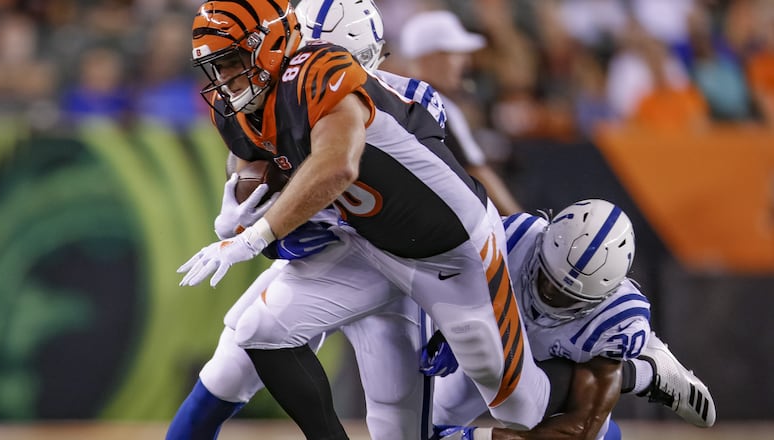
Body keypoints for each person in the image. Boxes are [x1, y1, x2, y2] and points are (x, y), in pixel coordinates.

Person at [178, 0, 552, 438]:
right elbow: (251, 165)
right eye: (218, 68)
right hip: (363, 241)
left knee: (517, 404)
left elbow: (338, 166)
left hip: (450, 251)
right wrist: (241, 205)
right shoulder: (250, 101)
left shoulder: (321, 70)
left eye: (233, 63)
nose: (225, 80)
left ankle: (611, 404)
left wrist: (255, 235)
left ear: (271, 45)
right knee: (260, 331)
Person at [167, 1, 445, 437]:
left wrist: (453, 302)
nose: (307, 71)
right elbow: (251, 159)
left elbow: (457, 210)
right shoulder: (269, 94)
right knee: (230, 364)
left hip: (394, 269)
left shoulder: (410, 105)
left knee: (400, 423)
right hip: (320, 261)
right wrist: (243, 199)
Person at [418, 199, 717, 440]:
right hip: (494, 340)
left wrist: (482, 438)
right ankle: (645, 372)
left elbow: (579, 429)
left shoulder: (615, 321)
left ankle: (643, 373)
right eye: (546, 278)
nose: (547, 296)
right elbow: (450, 277)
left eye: (566, 296)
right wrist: (449, 326)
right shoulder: (515, 236)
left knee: (525, 416)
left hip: (556, 368)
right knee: (416, 427)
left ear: (602, 297)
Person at [398, 10, 523, 215]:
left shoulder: (391, 100)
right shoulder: (438, 104)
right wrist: (526, 223)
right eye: (455, 53)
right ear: (430, 57)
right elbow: (478, 173)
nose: (466, 62)